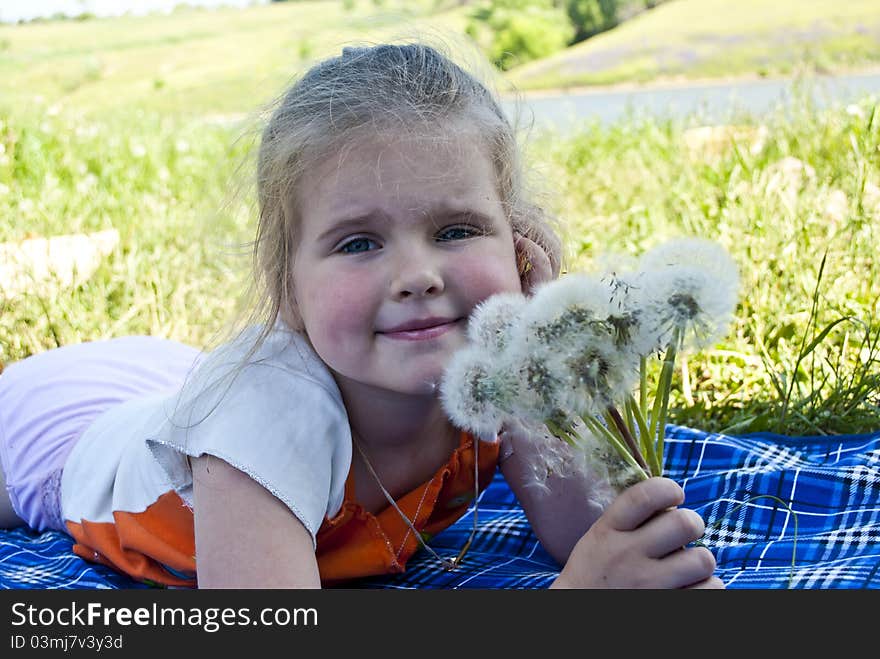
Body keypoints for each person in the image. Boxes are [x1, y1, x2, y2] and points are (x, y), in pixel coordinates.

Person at [0, 42, 722, 589]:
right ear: (287, 286)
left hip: (169, 380)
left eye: (457, 230)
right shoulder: (263, 423)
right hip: (62, 427)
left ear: (520, 243)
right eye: (358, 242)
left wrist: (546, 343)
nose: (416, 275)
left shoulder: (496, 374)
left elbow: (594, 533)